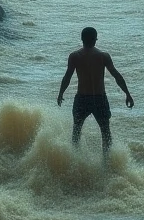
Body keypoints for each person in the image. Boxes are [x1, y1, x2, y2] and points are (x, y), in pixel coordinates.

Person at [57, 26, 134, 158]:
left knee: (76, 132)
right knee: (106, 133)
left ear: (81, 39)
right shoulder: (103, 56)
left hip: (82, 99)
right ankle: (106, 163)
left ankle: (75, 162)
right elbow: (117, 76)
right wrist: (127, 94)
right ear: (95, 40)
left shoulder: (75, 56)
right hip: (100, 99)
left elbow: (67, 77)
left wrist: (60, 94)